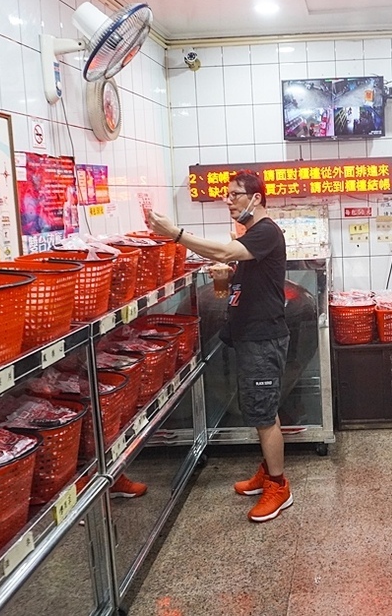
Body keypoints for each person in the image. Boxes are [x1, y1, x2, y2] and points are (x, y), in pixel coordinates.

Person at [145, 170, 292, 523]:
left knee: (263, 413)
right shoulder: (253, 234)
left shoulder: (266, 230)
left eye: (235, 194)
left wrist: (175, 234)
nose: (228, 200)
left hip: (263, 338)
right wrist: (228, 279)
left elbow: (225, 250)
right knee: (260, 410)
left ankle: (279, 485)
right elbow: (239, 268)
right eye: (227, 195)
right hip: (250, 336)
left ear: (255, 198)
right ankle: (267, 470)